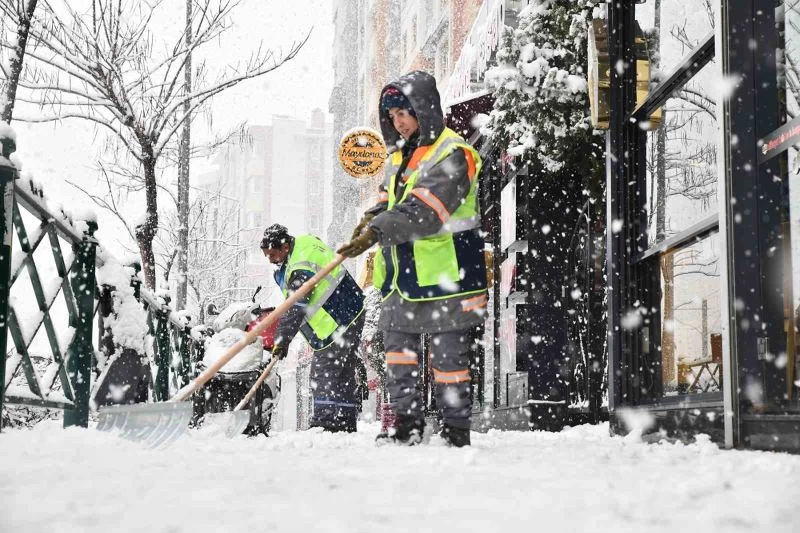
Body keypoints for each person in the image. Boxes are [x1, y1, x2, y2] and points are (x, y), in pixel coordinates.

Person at [337, 71, 487, 447]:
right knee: (398, 357)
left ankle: (455, 430)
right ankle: (407, 425)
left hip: (446, 274)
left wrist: (378, 230)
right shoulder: (401, 157)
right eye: (392, 116)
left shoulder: (456, 153)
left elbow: (426, 209)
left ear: (425, 109)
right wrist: (373, 215)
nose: (398, 121)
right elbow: (396, 201)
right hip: (401, 277)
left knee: (449, 361)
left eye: (404, 112)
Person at [261, 224, 365, 433]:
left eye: (272, 254)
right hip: (351, 313)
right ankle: (344, 424)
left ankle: (324, 425)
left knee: (324, 373)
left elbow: (296, 305)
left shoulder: (300, 263)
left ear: (284, 246)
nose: (270, 260)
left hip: (338, 319)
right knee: (342, 373)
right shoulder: (303, 246)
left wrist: (282, 341)